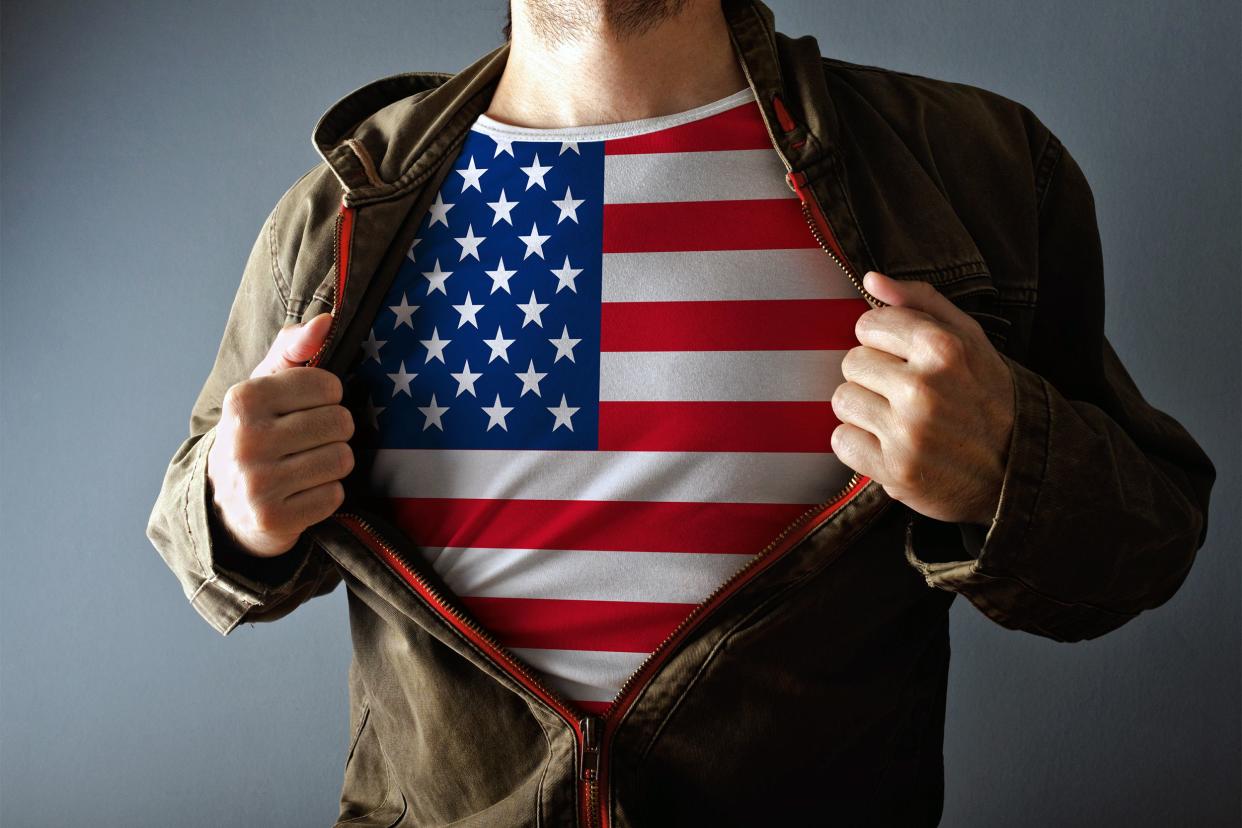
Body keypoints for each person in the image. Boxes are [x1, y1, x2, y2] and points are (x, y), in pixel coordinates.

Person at [146, 0, 1217, 824]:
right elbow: (192, 521)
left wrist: (1005, 468)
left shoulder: (973, 166)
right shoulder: (343, 204)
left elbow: (1145, 549)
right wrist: (235, 507)